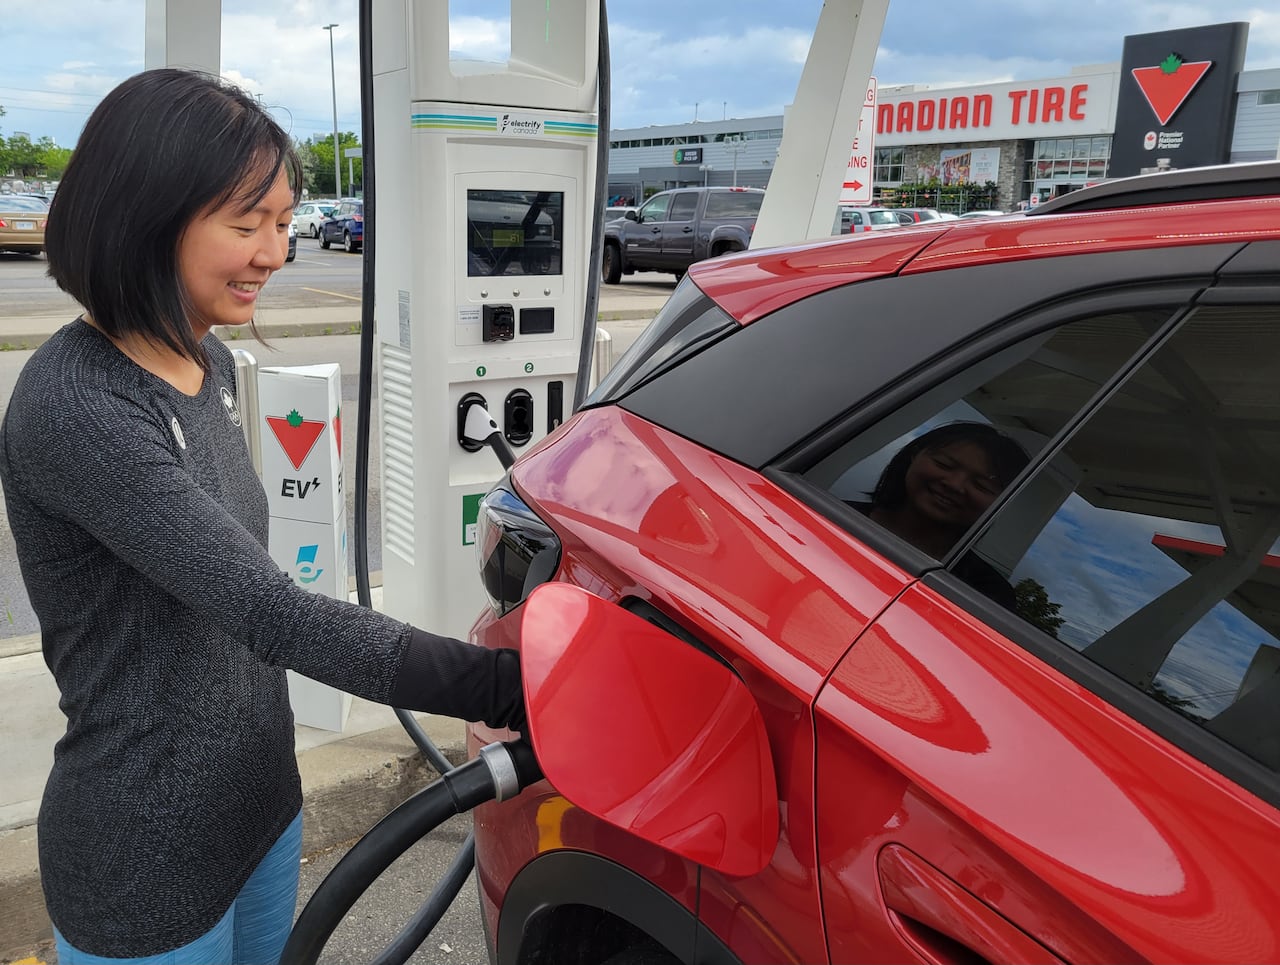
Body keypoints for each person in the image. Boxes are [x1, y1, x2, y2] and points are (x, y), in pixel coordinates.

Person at [0, 69, 526, 964]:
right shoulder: (79, 406)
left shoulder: (201, 360)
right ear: (142, 218)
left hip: (259, 807)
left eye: (283, 223)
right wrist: (512, 686)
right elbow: (273, 613)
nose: (276, 253)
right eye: (247, 225)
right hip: (146, 858)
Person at [849, 421, 1030, 608]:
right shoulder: (836, 516)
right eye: (943, 464)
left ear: (1002, 502)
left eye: (981, 485)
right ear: (914, 455)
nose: (954, 485)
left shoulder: (989, 594)